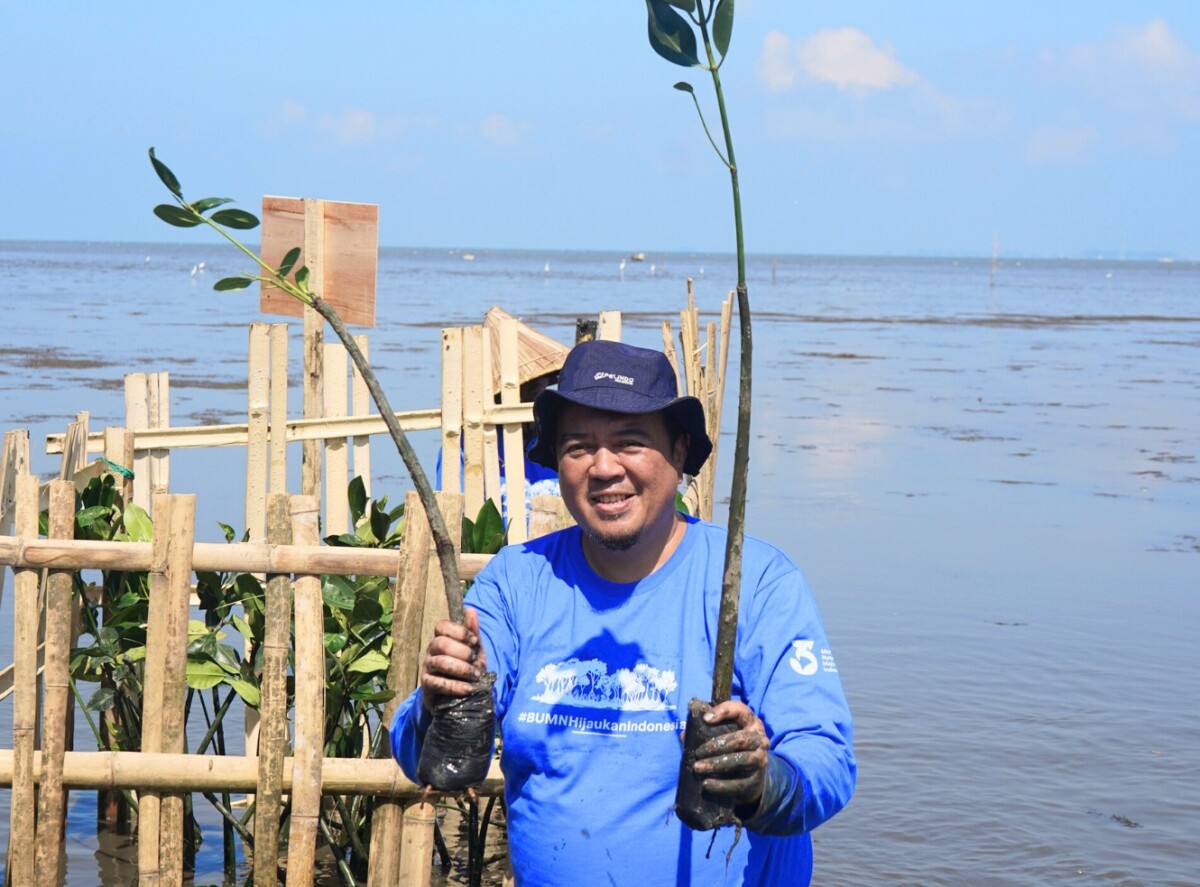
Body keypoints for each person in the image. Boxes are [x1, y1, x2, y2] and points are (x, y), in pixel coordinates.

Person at [392, 340, 855, 886]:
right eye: (579, 446)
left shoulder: (755, 582)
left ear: (679, 453)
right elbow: (413, 746)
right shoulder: (517, 583)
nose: (604, 468)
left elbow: (827, 763)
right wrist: (442, 698)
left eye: (630, 443)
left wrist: (760, 782)